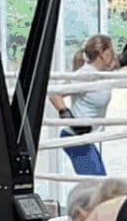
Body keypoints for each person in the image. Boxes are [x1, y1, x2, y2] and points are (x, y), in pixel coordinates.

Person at [50, 33, 119, 177]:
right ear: (101, 53)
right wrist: (71, 120)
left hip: (86, 139)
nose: (113, 54)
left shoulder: (101, 73)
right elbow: (55, 95)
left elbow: (114, 66)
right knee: (97, 185)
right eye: (110, 51)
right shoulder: (85, 75)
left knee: (99, 183)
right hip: (74, 138)